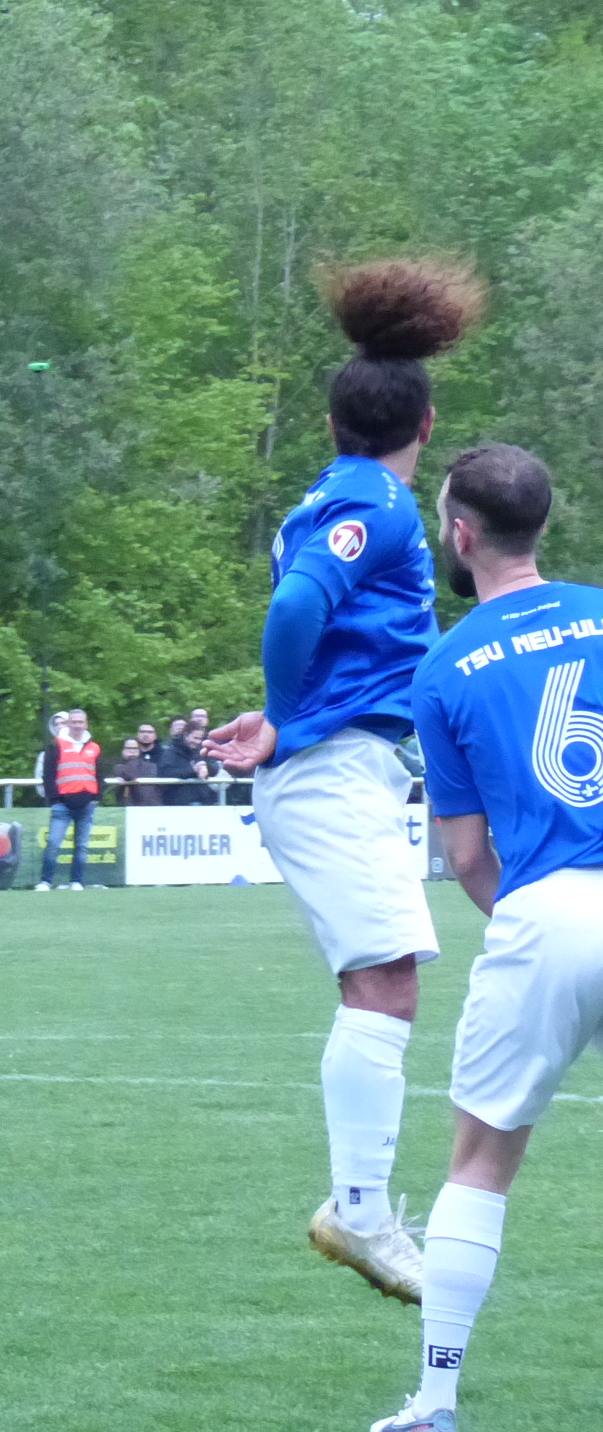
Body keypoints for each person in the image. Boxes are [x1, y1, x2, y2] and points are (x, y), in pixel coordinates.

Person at [204, 259, 480, 1311]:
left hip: (341, 765)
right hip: (331, 772)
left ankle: (360, 1206)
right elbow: (295, 611)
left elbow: (318, 620)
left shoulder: (335, 494)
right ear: (427, 421)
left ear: (330, 422)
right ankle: (359, 1211)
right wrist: (288, 716)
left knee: (388, 980)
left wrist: (288, 713)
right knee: (385, 984)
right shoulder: (380, 504)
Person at [378, 443, 580, 1432]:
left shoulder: (445, 666)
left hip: (543, 915)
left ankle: (436, 1401)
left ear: (460, 535)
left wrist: (541, 928)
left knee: (480, 1162)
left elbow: (464, 856)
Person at [33, 709, 100, 890]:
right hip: (62, 804)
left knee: (81, 846)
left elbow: (99, 774)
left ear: (86, 724)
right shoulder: (56, 745)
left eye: (80, 722)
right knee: (53, 844)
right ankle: (45, 881)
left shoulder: (94, 747)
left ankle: (76, 881)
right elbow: (48, 775)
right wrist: (55, 799)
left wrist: (96, 797)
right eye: (74, 722)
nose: (77, 725)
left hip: (86, 804)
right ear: (69, 724)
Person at [113, 737, 154, 806]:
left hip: (147, 804)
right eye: (128, 748)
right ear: (123, 751)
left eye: (135, 748)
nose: (132, 751)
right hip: (126, 805)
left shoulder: (150, 766)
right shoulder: (118, 767)